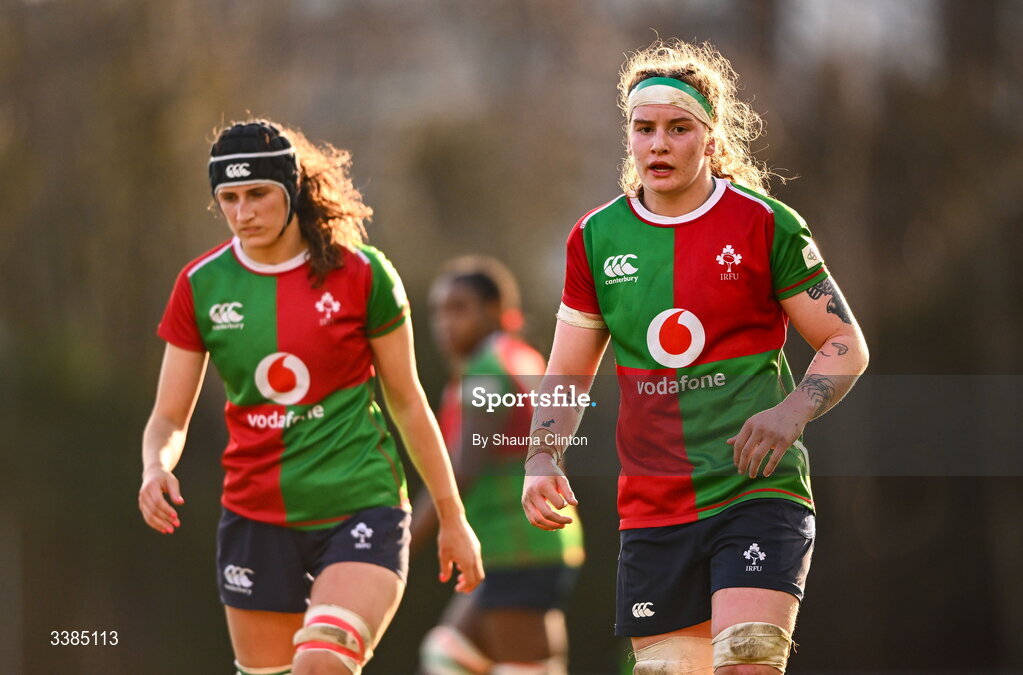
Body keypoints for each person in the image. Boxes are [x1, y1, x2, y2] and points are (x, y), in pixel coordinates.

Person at [520, 40, 869, 675]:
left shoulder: (766, 224)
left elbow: (845, 344)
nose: (658, 144)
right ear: (627, 137)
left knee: (746, 661)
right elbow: (568, 372)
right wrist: (543, 454)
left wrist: (790, 413)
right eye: (643, 128)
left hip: (756, 491)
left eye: (678, 129)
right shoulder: (595, 239)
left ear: (710, 138)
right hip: (654, 507)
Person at [137, 119, 483, 675]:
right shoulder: (201, 285)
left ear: (291, 190)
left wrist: (451, 516)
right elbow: (169, 416)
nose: (242, 211)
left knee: (323, 659)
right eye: (228, 197)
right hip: (255, 520)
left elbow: (408, 400)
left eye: (257, 194)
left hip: (360, 507)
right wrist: (156, 465)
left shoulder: (364, 276)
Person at [412, 256, 584, 675]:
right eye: (438, 311)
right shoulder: (515, 357)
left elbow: (461, 470)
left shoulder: (488, 370)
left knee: (509, 665)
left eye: (458, 309)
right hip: (530, 541)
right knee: (448, 654)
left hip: (519, 546)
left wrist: (403, 541)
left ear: (493, 311)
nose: (444, 323)